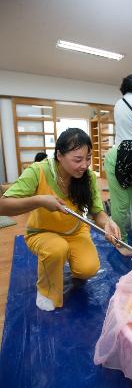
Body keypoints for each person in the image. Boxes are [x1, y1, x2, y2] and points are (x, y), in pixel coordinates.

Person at [0, 128, 121, 311]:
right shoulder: (38, 171)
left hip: (75, 231)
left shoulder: (87, 177)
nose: (84, 165)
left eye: (87, 158)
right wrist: (39, 200)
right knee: (56, 249)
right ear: (59, 155)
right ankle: (46, 289)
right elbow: (4, 205)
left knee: (88, 269)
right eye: (77, 159)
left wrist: (108, 222)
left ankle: (61, 260)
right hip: (42, 232)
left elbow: (98, 213)